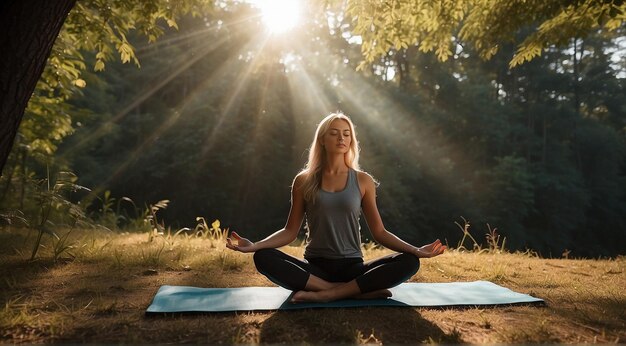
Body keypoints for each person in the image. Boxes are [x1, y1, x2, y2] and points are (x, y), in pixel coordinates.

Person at [226, 112, 446, 303]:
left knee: (409, 261)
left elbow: (379, 232)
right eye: (334, 133)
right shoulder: (303, 180)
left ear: (351, 140)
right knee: (263, 257)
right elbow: (290, 231)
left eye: (346, 133)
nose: (341, 137)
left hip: (353, 268)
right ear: (322, 139)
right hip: (315, 269)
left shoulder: (363, 180)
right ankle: (348, 292)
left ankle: (327, 293)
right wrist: (256, 246)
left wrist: (416, 250)